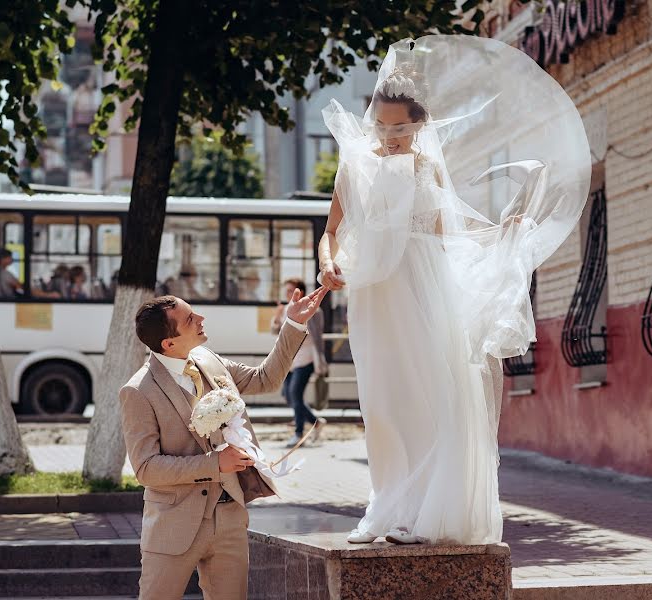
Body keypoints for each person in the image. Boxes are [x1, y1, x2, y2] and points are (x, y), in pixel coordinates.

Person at [318, 36, 590, 546]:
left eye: (401, 127)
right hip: (374, 296)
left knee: (429, 400)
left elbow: (448, 236)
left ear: (421, 125)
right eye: (382, 125)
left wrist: (499, 236)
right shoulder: (355, 165)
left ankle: (421, 517)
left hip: (423, 289)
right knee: (382, 404)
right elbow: (331, 231)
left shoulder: (428, 168)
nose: (391, 135)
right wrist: (328, 265)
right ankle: (385, 508)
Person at [119, 287, 327, 600]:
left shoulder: (207, 359)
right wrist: (215, 464)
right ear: (168, 343)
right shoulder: (138, 391)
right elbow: (147, 469)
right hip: (174, 526)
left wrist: (293, 324)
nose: (201, 318)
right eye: (190, 318)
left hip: (230, 518)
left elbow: (264, 379)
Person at [271, 278, 329, 447]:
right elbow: (276, 332)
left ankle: (299, 433)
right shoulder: (285, 310)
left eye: (290, 291)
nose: (287, 294)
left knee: (295, 394)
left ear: (300, 292)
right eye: (287, 291)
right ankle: (316, 422)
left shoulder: (314, 311)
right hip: (290, 360)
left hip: (307, 358)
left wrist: (322, 360)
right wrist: (277, 316)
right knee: (287, 395)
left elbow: (317, 337)